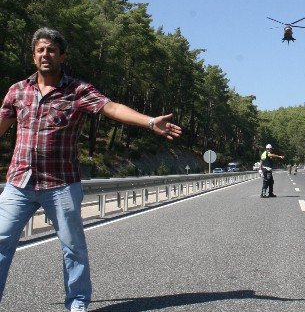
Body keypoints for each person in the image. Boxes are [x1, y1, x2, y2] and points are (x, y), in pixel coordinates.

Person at [0, 27, 182, 312]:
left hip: (61, 183)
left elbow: (111, 107)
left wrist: (148, 122)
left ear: (62, 56)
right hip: (18, 182)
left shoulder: (77, 90)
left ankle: (77, 303)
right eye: (40, 49)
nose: (45, 54)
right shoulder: (17, 90)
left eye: (51, 49)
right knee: (0, 243)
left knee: (73, 248)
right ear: (33, 55)